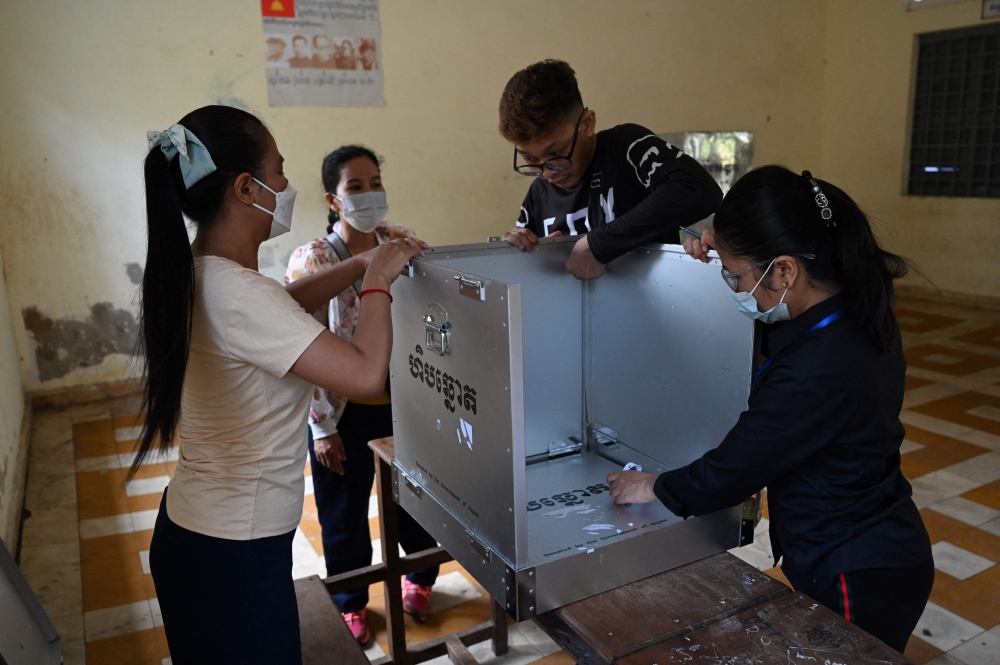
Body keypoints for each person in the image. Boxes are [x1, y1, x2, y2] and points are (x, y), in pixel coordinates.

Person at [138, 106, 425, 664]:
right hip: (232, 555)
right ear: (247, 188)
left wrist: (361, 260)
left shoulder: (205, 276)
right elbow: (366, 371)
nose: (285, 186)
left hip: (197, 533)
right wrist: (379, 282)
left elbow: (283, 312)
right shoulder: (244, 295)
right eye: (279, 171)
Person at [606, 166, 932, 654]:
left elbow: (734, 469)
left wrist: (653, 484)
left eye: (736, 276)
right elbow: (780, 342)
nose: (736, 291)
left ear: (784, 270)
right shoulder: (854, 306)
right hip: (878, 542)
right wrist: (718, 257)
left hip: (856, 567)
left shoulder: (819, 369)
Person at [285, 146, 439, 643]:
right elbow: (300, 348)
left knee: (413, 502)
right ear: (334, 199)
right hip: (342, 413)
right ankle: (350, 602)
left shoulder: (402, 246)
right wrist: (321, 426)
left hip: (403, 406)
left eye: (376, 182)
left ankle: (420, 578)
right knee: (343, 515)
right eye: (356, 186)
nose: (370, 193)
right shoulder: (315, 259)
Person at [499, 60, 722, 279]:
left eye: (557, 154)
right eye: (530, 158)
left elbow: (698, 189)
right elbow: (526, 282)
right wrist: (518, 248)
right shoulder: (538, 195)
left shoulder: (624, 148)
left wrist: (598, 244)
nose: (547, 172)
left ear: (587, 123)